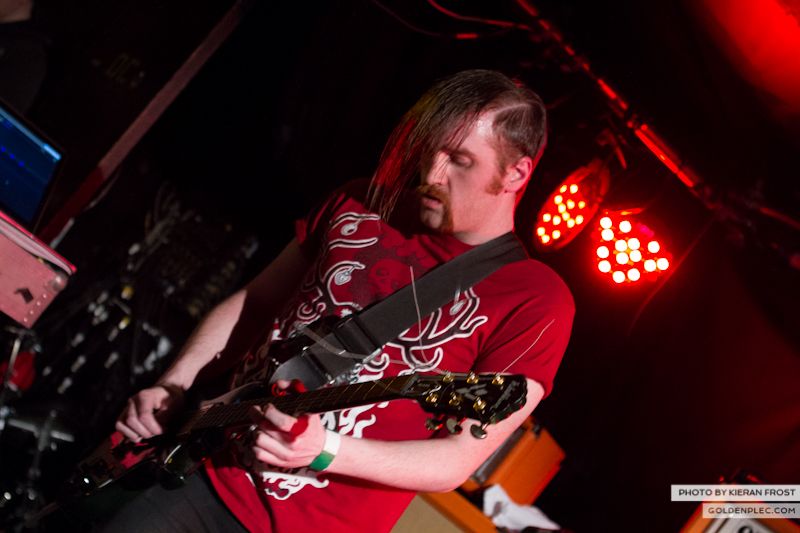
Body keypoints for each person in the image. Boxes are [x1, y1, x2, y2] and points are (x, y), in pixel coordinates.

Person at [111, 69, 574, 532]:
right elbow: (255, 303)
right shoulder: (361, 200)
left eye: (459, 160)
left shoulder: (536, 299)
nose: (431, 175)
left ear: (515, 173)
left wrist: (325, 450)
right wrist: (173, 384)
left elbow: (457, 460)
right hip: (202, 472)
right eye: (430, 150)